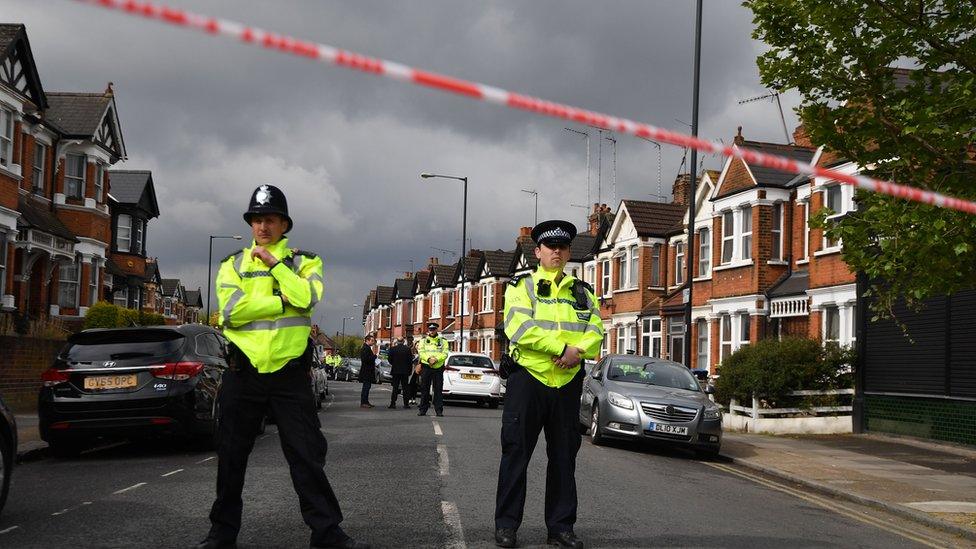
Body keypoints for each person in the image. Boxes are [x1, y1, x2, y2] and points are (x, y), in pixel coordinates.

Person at [198, 184, 368, 549]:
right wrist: (280, 300)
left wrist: (276, 266)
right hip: (243, 372)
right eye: (257, 219)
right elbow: (230, 313)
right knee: (230, 456)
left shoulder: (305, 261)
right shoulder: (233, 264)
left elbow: (307, 298)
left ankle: (327, 533)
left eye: (270, 219)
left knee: (306, 456)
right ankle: (222, 532)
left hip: (290, 375)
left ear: (284, 224)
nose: (263, 227)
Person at [493, 220, 603, 549]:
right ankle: (507, 525)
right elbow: (519, 327)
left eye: (563, 247)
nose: (557, 251)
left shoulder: (582, 292)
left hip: (567, 382)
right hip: (529, 378)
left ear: (569, 252)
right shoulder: (520, 286)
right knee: (516, 454)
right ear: (537, 251)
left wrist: (577, 353)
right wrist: (561, 348)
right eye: (550, 247)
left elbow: (596, 331)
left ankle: (560, 528)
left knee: (564, 458)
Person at [416, 322, 449, 417]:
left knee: (438, 390)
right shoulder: (423, 341)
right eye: (430, 329)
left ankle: (439, 410)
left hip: (438, 367)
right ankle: (423, 410)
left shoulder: (443, 341)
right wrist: (428, 359)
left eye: (434, 329)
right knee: (424, 389)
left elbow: (445, 353)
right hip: (426, 367)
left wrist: (436, 359)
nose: (432, 331)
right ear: (428, 330)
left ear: (437, 330)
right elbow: (421, 352)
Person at [386, 338, 413, 408]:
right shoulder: (407, 349)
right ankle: (406, 404)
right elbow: (410, 361)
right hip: (405, 371)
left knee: (395, 388)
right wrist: (409, 370)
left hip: (395, 371)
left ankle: (393, 403)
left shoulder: (393, 349)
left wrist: (394, 364)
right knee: (405, 388)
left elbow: (389, 360)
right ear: (403, 342)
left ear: (397, 342)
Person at [359, 334, 378, 409]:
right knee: (366, 387)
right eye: (372, 340)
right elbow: (365, 359)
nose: (373, 342)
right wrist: (374, 356)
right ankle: (363, 402)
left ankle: (366, 402)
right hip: (366, 371)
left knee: (367, 387)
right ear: (367, 340)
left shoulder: (367, 348)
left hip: (368, 371)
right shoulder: (365, 348)